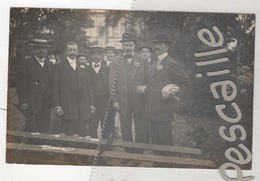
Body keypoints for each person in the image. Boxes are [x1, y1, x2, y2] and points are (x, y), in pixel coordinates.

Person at [145, 34, 190, 166]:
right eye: (156, 44)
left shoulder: (172, 64)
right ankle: (158, 163)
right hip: (152, 109)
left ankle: (169, 166)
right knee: (155, 140)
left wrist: (173, 95)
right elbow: (154, 84)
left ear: (167, 46)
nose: (157, 46)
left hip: (164, 109)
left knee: (165, 140)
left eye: (161, 44)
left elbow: (186, 83)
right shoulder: (154, 64)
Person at [109, 33, 150, 164]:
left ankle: (138, 155)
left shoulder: (142, 60)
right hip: (123, 101)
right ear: (122, 46)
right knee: (125, 129)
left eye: (130, 45)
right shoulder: (115, 61)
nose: (128, 48)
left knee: (140, 129)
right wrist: (115, 100)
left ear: (134, 46)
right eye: (125, 45)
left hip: (140, 101)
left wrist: (145, 89)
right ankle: (127, 155)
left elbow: (149, 80)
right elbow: (112, 83)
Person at [52, 42, 95, 137]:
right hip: (66, 106)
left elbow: (89, 87)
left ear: (77, 51)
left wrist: (91, 103)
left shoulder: (83, 67)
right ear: (66, 51)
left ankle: (79, 151)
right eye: (70, 50)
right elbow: (55, 88)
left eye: (74, 50)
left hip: (82, 108)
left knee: (81, 134)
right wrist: (57, 105)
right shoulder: (59, 66)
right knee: (66, 134)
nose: (72, 52)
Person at [16, 38, 53, 133]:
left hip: (46, 104)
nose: (41, 51)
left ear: (46, 50)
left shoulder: (50, 64)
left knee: (45, 128)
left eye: (43, 48)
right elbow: (21, 84)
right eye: (38, 48)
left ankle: (43, 146)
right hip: (32, 103)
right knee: (32, 130)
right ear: (34, 50)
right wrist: (23, 101)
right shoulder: (26, 64)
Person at [86, 46, 110, 138]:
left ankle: (105, 146)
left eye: (98, 54)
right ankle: (92, 146)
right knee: (92, 125)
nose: (96, 56)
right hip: (91, 102)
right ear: (91, 56)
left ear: (101, 56)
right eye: (94, 54)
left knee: (105, 125)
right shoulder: (86, 69)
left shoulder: (106, 69)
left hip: (104, 101)